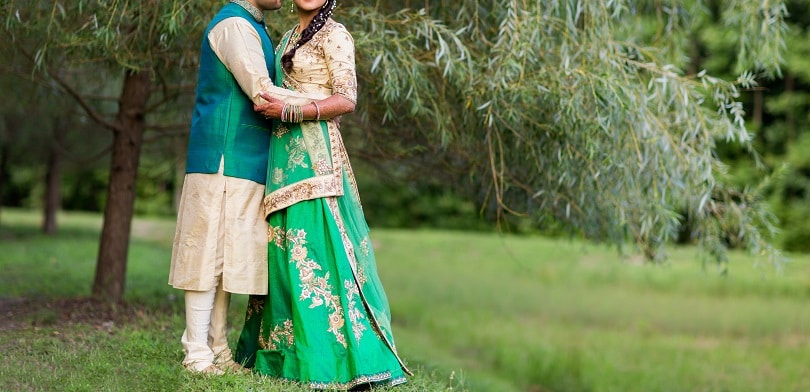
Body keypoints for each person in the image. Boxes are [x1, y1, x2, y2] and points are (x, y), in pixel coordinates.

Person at [234, 0, 412, 389]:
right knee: (283, 253)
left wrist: (292, 112)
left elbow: (346, 99)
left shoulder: (335, 34)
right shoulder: (287, 36)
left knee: (315, 250)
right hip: (282, 159)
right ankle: (283, 359)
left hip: (315, 157)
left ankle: (338, 360)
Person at [168, 0, 321, 376]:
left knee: (223, 258)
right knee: (207, 254)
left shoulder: (254, 25)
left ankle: (217, 349)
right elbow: (263, 92)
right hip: (223, 155)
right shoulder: (234, 26)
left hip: (244, 159)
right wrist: (325, 104)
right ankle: (197, 353)